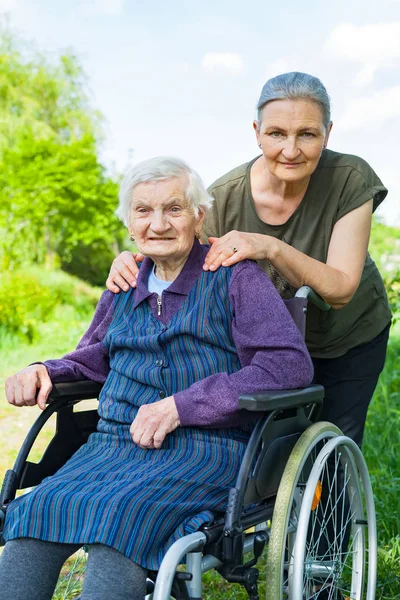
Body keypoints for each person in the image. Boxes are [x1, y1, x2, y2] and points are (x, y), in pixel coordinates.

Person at [0, 157, 313, 600]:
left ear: (199, 217)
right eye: (144, 211)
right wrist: (44, 370)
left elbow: (287, 366)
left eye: (175, 209)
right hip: (111, 448)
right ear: (130, 222)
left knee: (126, 519)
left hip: (205, 450)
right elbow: (95, 358)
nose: (159, 224)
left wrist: (183, 406)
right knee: (35, 512)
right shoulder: (126, 283)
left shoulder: (235, 277)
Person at [106, 72, 392, 449]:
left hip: (347, 334)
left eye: (307, 134)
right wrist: (129, 261)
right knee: (273, 449)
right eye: (276, 134)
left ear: (327, 134)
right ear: (257, 132)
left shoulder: (349, 178)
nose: (290, 150)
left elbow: (340, 288)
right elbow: (171, 247)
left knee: (334, 443)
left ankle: (339, 507)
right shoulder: (223, 198)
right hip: (267, 343)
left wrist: (270, 247)